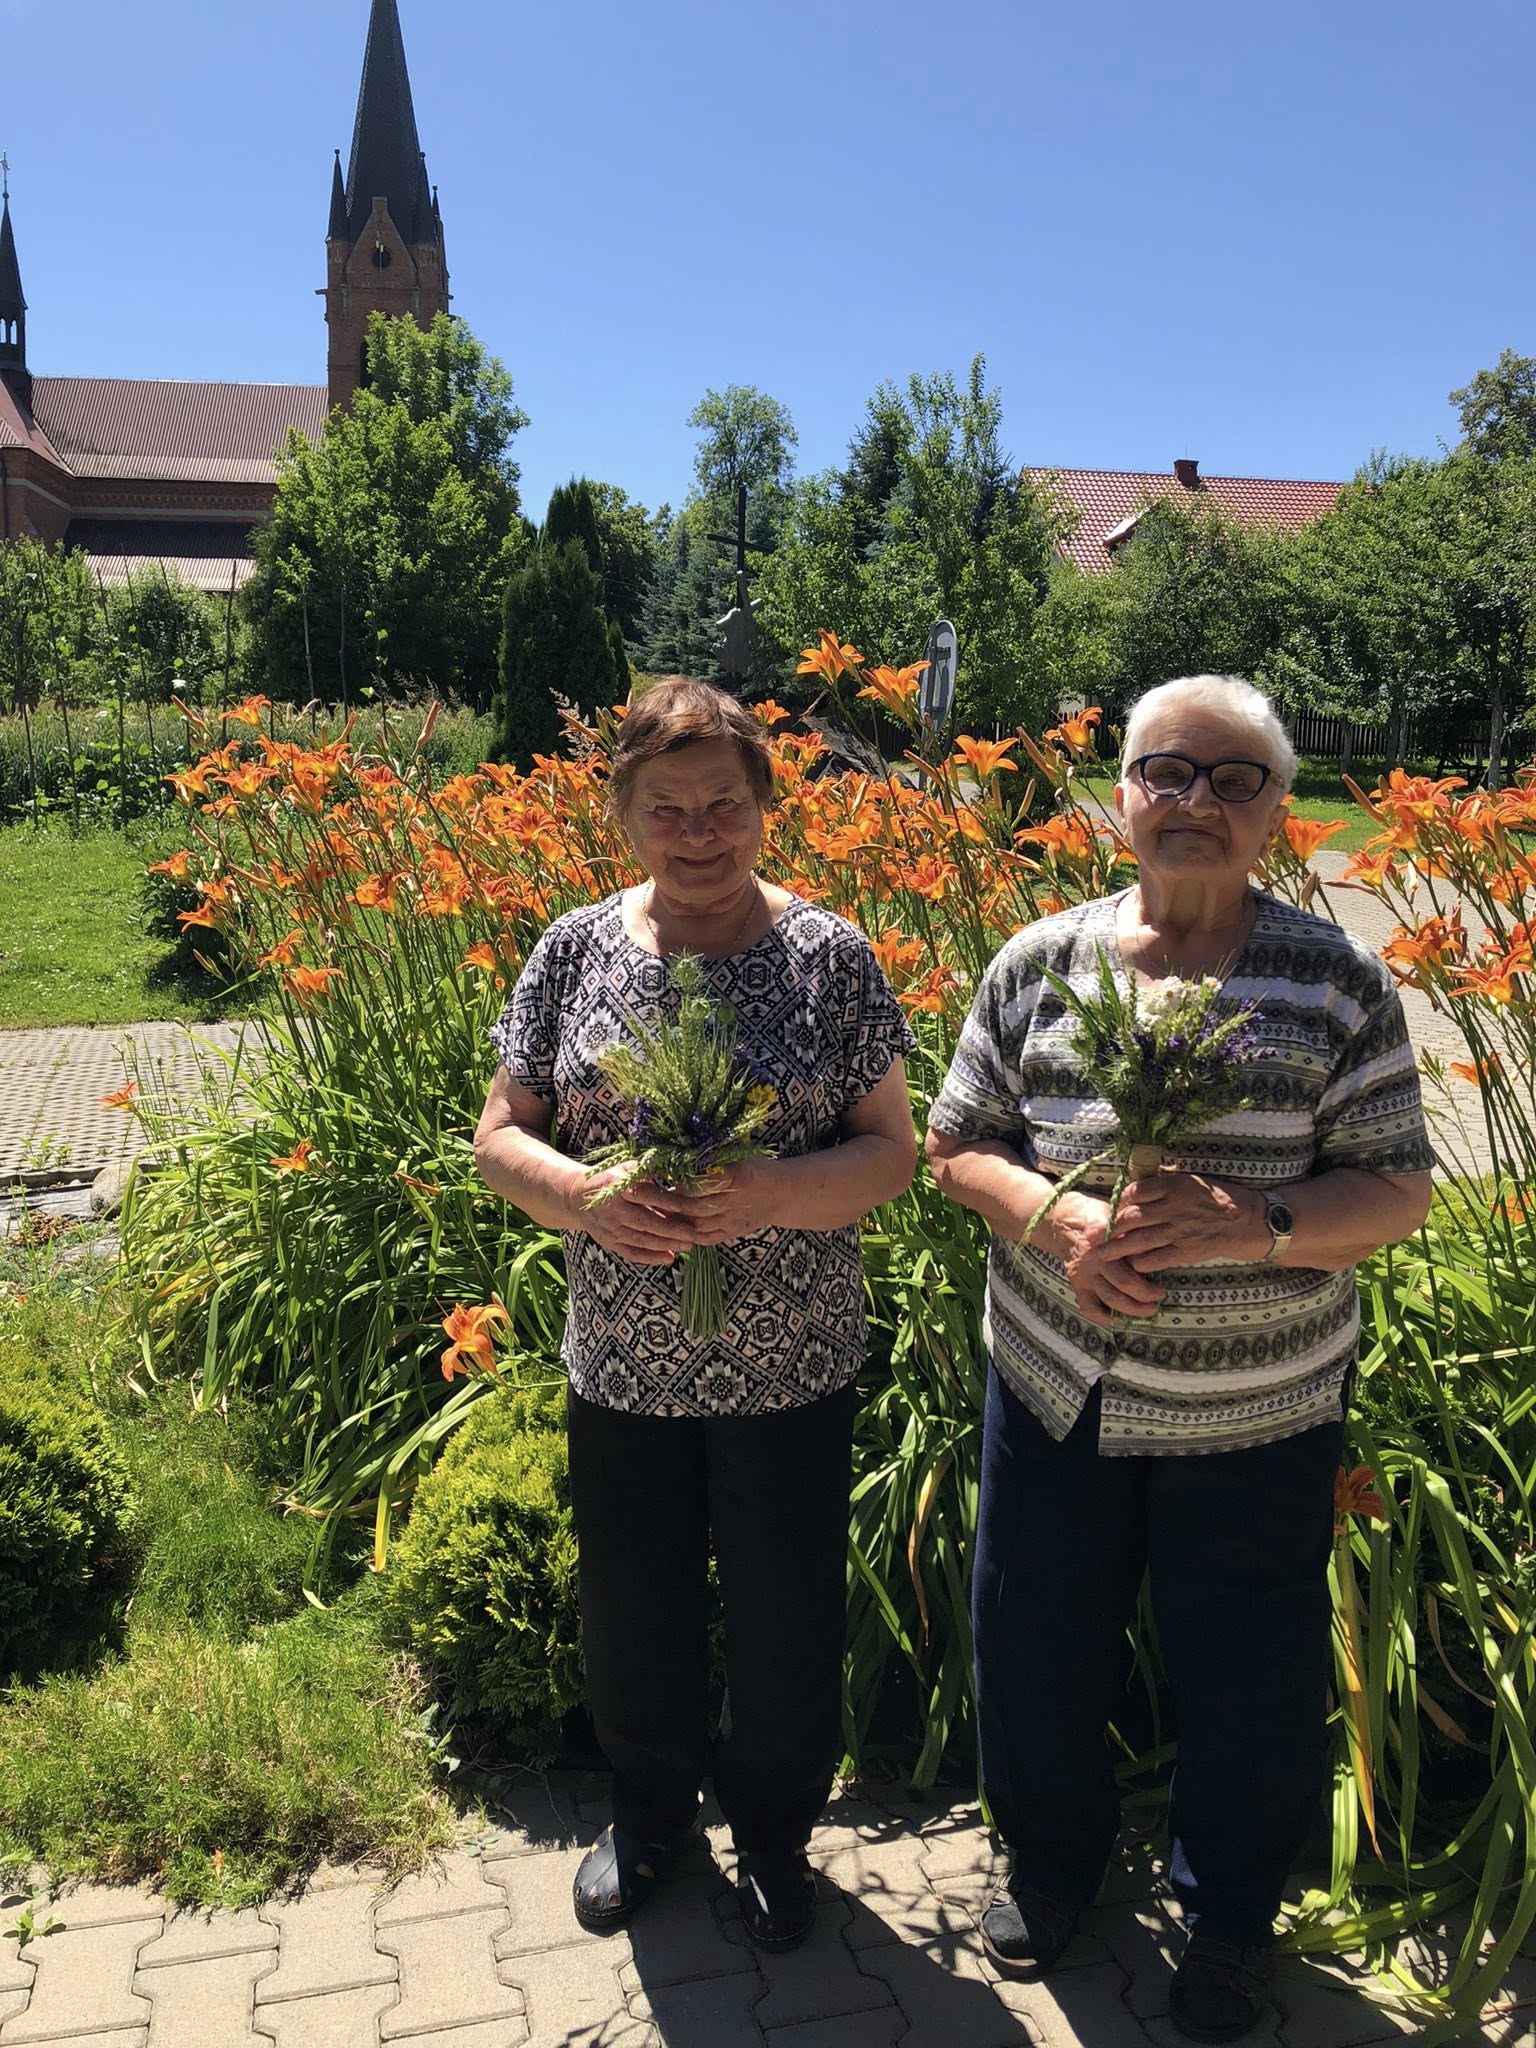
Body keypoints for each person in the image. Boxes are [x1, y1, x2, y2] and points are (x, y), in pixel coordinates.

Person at [925, 674, 1434, 2044]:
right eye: (1168, 770)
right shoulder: (1039, 960)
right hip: (1056, 1381)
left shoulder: (1336, 981)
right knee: (1035, 1636)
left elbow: (1396, 1190)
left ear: (1276, 812)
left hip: (1258, 1407)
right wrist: (1055, 1218)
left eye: (1234, 778)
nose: (1197, 799)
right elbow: (957, 1143)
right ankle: (1050, 1863)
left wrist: (1257, 1223)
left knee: (1249, 1669)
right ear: (1123, 796)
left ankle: (1228, 1919)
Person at [474, 677, 917, 1951]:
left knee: (786, 1614)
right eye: (667, 806)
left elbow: (893, 1151)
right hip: (623, 1362)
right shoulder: (574, 949)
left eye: (725, 801)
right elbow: (500, 1135)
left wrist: (772, 1191)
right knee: (632, 1606)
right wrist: (583, 1196)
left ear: (767, 805)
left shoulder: (829, 956)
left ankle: (774, 1833)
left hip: (792, 1361)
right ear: (623, 813)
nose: (699, 831)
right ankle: (650, 1814)